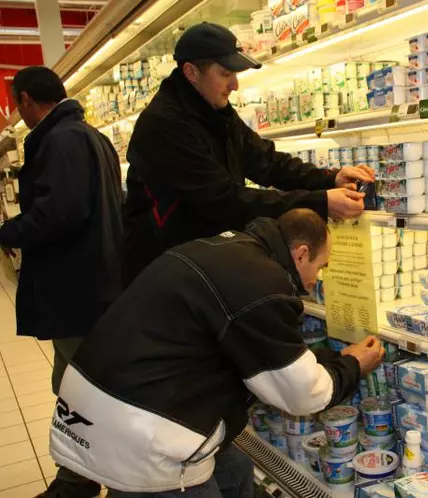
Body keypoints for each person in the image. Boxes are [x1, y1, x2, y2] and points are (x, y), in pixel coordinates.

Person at [50, 208, 384, 496]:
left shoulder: (228, 250)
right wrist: (354, 365)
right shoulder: (263, 286)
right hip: (139, 430)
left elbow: (255, 352)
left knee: (235, 468)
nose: (318, 279)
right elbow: (304, 395)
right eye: (321, 266)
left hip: (95, 396)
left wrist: (336, 360)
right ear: (299, 254)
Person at [123, 22, 373, 285]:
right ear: (191, 72)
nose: (235, 84)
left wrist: (329, 179)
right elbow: (223, 201)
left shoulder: (215, 111)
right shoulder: (164, 124)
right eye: (225, 73)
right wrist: (320, 202)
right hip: (167, 271)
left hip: (203, 259)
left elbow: (266, 161)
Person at [0, 67, 123, 498]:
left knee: (85, 392)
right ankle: (79, 477)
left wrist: (8, 233)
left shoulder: (63, 140)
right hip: (90, 286)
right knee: (73, 387)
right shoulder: (89, 136)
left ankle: (90, 481)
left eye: (18, 102)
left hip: (76, 290)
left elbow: (60, 214)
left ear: (28, 100)